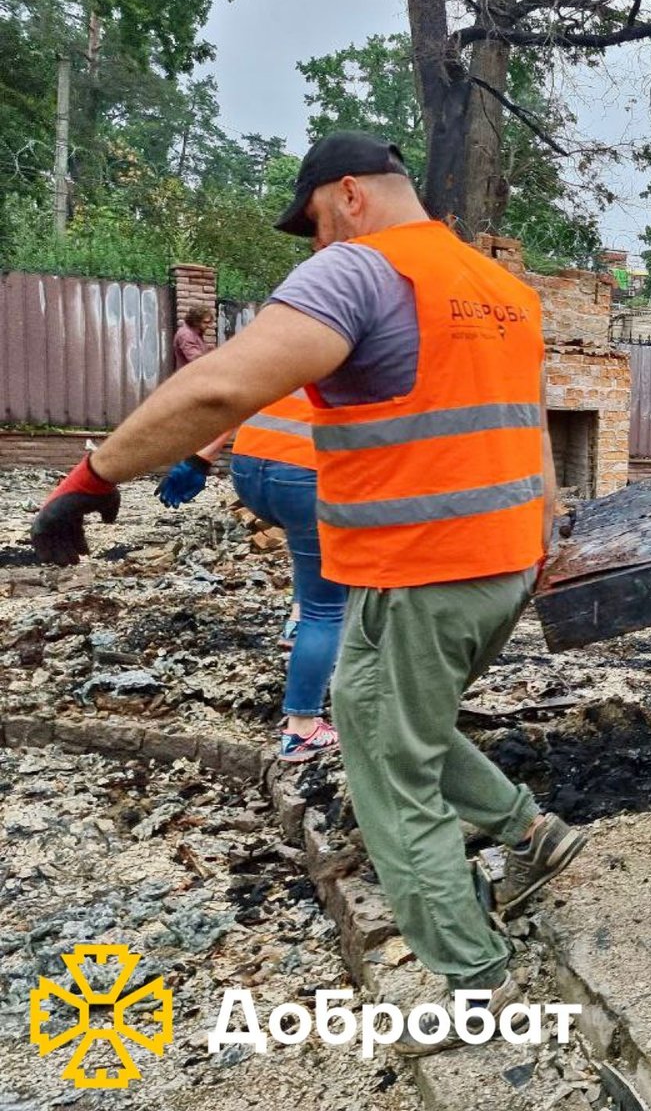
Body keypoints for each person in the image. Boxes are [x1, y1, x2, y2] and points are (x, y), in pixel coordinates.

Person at [31, 130, 585, 1054]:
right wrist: (543, 533)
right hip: (498, 564)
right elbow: (531, 431)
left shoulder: (363, 272)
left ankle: (474, 982)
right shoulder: (497, 288)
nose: (316, 242)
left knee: (388, 769)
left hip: (421, 570)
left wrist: (94, 475)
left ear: (353, 195)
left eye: (317, 219)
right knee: (380, 708)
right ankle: (528, 835)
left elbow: (220, 390)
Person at [155, 392, 343, 763]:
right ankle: (302, 729)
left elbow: (240, 397)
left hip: (250, 471)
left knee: (309, 553)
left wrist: (201, 457)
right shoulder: (368, 342)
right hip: (304, 475)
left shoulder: (287, 345)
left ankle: (296, 624)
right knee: (330, 607)